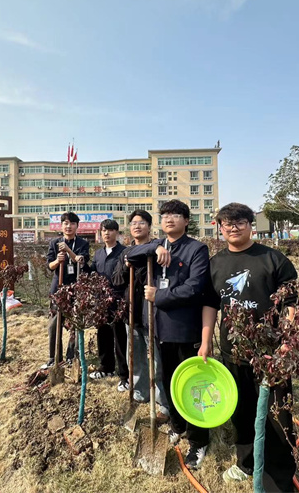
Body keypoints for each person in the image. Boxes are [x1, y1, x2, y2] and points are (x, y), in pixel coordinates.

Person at [201, 203, 297, 491]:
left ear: (250, 224)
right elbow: (210, 303)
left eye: (239, 222)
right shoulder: (216, 263)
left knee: (278, 414)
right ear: (220, 227)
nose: (233, 228)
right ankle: (246, 463)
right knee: (241, 410)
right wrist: (206, 343)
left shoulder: (272, 259)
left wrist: (287, 342)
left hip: (271, 353)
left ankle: (279, 476)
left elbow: (291, 303)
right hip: (234, 352)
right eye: (227, 223)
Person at [126, 200, 210, 470]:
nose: (169, 219)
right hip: (158, 327)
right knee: (169, 379)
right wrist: (155, 246)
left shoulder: (196, 248)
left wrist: (159, 295)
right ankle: (178, 426)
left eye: (176, 215)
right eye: (165, 215)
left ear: (186, 221)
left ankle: (199, 441)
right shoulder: (160, 246)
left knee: (190, 384)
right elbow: (130, 256)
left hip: (184, 329)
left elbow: (195, 287)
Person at [112, 210, 170, 420]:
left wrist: (153, 248)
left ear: (149, 226)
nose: (137, 226)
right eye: (134, 223)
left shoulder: (158, 248)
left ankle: (163, 401)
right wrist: (126, 265)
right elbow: (117, 279)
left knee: (156, 357)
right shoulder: (125, 252)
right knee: (134, 355)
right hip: (132, 311)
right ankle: (140, 391)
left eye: (142, 223)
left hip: (152, 312)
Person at [41, 212, 90, 370]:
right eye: (65, 223)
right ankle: (54, 357)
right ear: (61, 226)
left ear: (77, 226)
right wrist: (57, 260)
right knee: (54, 324)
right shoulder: (54, 243)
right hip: (59, 288)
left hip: (76, 288)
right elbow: (49, 266)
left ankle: (72, 356)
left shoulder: (83, 243)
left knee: (75, 324)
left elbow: (81, 261)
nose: (68, 226)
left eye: (72, 223)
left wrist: (69, 251)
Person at [89, 219, 129, 391]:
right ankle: (106, 368)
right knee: (103, 335)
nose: (107, 233)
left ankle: (124, 375)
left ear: (117, 233)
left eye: (111, 230)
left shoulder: (124, 252)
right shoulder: (98, 254)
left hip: (118, 302)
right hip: (101, 302)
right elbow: (92, 272)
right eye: (104, 230)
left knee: (120, 338)